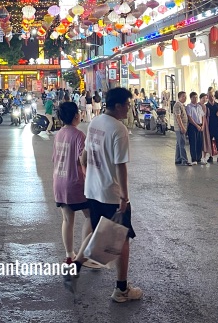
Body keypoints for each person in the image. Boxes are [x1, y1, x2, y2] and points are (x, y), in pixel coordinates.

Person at [65, 87, 141, 302]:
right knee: (122, 238)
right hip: (111, 193)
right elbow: (120, 166)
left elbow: (84, 157)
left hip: (93, 190)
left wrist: (90, 176)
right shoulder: (119, 129)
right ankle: (121, 289)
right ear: (118, 106)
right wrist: (124, 197)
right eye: (127, 105)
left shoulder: (95, 123)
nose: (129, 108)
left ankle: (76, 266)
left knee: (98, 229)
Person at [52, 101, 92, 264]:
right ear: (76, 116)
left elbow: (55, 158)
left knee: (67, 220)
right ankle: (83, 255)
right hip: (75, 183)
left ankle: (70, 255)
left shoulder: (59, 134)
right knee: (91, 216)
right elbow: (83, 160)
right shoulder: (79, 135)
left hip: (59, 181)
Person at [186, 92, 205, 165]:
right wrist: (196, 126)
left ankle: (199, 158)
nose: (195, 99)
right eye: (194, 97)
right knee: (193, 142)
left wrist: (202, 125)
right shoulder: (189, 107)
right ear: (191, 98)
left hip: (200, 125)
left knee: (199, 142)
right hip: (193, 126)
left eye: (196, 97)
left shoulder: (199, 106)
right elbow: (190, 117)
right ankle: (194, 159)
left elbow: (203, 116)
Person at [173, 91, 191, 165]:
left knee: (179, 144)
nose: (185, 97)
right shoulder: (177, 105)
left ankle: (178, 159)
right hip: (179, 128)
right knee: (182, 144)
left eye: (185, 96)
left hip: (182, 127)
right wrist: (182, 127)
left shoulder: (182, 105)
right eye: (183, 96)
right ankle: (184, 160)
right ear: (179, 97)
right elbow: (178, 117)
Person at [206, 87, 218, 164]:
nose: (211, 97)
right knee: (209, 141)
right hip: (209, 126)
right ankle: (210, 156)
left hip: (217, 125)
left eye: (212, 96)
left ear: (214, 96)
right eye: (210, 96)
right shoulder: (206, 106)